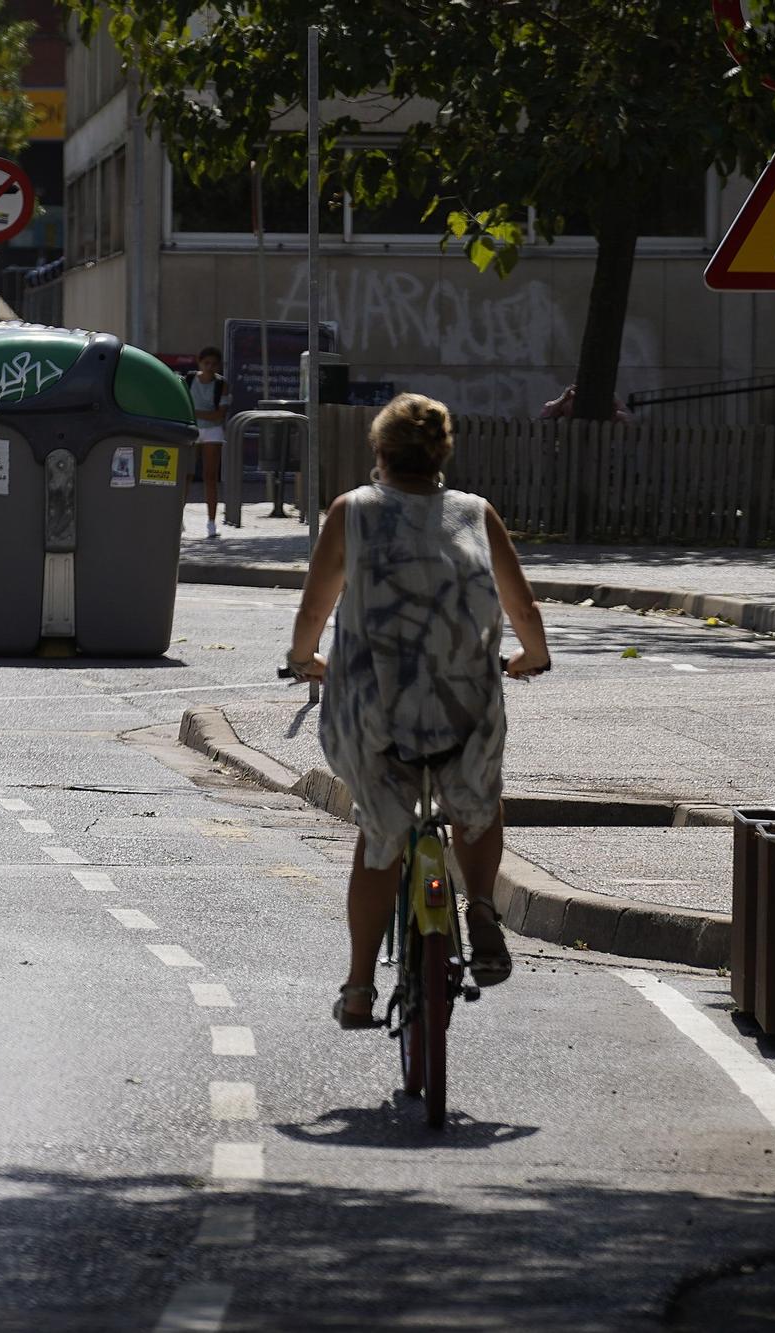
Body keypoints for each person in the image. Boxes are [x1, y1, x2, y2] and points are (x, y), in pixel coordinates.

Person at [285, 393, 552, 1029]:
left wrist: (303, 659)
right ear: (443, 454)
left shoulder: (351, 512)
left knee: (382, 832)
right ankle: (481, 906)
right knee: (479, 800)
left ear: (378, 452)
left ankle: (356, 988)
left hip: (373, 715)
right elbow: (524, 611)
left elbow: (315, 611)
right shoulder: (476, 514)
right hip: (465, 710)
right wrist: (532, 657)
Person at [185, 346, 231, 537]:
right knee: (186, 475)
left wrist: (195, 412)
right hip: (191, 429)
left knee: (210, 476)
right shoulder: (188, 380)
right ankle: (177, 519)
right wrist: (201, 415)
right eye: (206, 363)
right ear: (199, 362)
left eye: (214, 364)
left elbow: (218, 415)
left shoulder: (222, 384)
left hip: (212, 431)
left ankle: (211, 523)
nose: (210, 367)